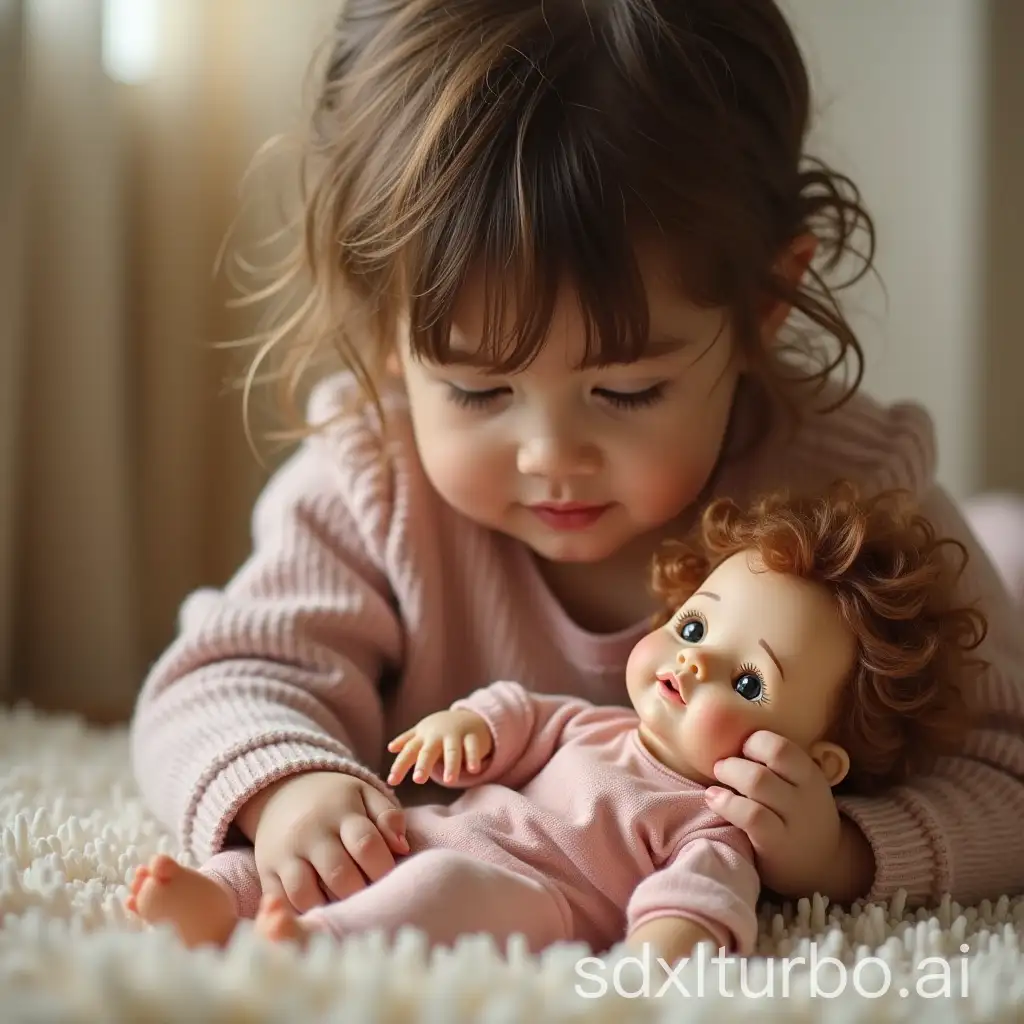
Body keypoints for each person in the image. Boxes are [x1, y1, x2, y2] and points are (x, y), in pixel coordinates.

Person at [128, 0, 1024, 926]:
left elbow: (1007, 774)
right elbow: (219, 682)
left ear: (766, 302)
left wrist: (842, 851)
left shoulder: (855, 505)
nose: (551, 458)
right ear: (385, 324)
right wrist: (290, 787)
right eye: (478, 391)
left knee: (987, 573)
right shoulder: (373, 482)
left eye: (627, 391)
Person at [125, 488, 984, 958]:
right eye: (693, 627)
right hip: (445, 831)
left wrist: (666, 950)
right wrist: (462, 729)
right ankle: (220, 903)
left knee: (438, 895)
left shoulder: (710, 822)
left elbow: (698, 900)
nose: (691, 661)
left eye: (750, 680)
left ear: (816, 760)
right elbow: (517, 714)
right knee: (350, 849)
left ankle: (306, 955)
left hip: (525, 900)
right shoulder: (596, 724)